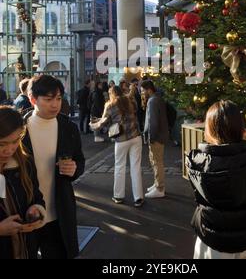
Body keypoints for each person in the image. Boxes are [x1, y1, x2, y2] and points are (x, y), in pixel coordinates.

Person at [187, 101, 246, 259]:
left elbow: (198, 198)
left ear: (210, 127)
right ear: (239, 126)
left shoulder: (197, 162)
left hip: (213, 237)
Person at [24, 75, 85, 259]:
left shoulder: (68, 128)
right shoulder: (19, 129)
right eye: (48, 99)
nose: (55, 105)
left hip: (59, 212)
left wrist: (75, 169)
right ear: (32, 99)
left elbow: (80, 161)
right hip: (26, 212)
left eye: (58, 99)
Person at [0, 106, 46, 259]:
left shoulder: (25, 163)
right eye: (2, 144)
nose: (9, 149)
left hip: (27, 248)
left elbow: (37, 196)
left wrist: (36, 210)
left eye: (15, 141)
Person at [90, 86, 144, 208]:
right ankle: (138, 198)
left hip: (121, 139)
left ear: (112, 94)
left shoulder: (110, 105)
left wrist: (93, 126)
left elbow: (104, 122)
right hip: (136, 137)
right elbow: (136, 111)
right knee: (135, 167)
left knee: (120, 166)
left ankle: (118, 196)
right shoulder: (130, 101)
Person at [141, 80, 169, 199]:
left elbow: (153, 122)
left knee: (157, 162)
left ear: (149, 90)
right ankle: (157, 184)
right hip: (158, 135)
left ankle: (159, 188)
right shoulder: (157, 98)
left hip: (156, 137)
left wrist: (150, 138)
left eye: (143, 90)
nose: (142, 93)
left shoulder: (152, 101)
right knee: (155, 161)